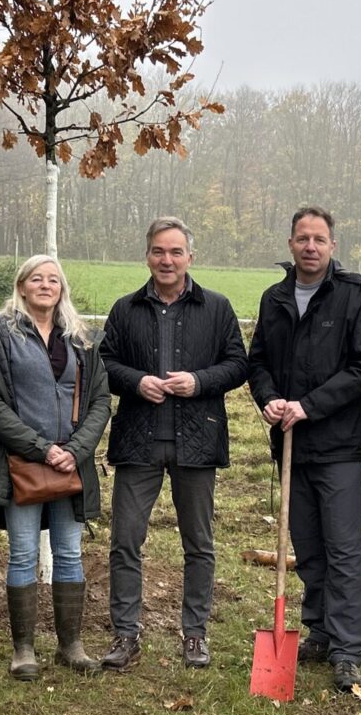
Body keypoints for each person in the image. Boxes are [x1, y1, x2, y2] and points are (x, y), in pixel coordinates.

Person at [98, 216, 249, 670]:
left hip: (197, 440)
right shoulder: (125, 310)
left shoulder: (217, 308)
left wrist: (199, 381)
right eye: (159, 251)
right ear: (147, 255)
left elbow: (238, 364)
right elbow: (104, 362)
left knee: (198, 543)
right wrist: (136, 381)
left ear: (190, 257)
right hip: (138, 441)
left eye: (175, 251)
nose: (167, 260)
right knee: (125, 541)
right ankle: (126, 635)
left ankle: (195, 634)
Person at [246, 206, 361, 693]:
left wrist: (310, 406)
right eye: (302, 238)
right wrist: (269, 399)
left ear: (332, 246)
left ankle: (349, 649)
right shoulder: (275, 298)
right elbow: (257, 361)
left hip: (338, 446)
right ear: (290, 244)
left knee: (343, 548)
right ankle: (321, 631)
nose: (310, 246)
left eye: (319, 239)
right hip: (289, 442)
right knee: (306, 545)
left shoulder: (353, 296)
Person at [0, 256, 113, 680]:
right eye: (36, 279)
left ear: (61, 289)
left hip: (70, 466)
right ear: (22, 287)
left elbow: (100, 400)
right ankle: (23, 649)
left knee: (69, 553)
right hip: (19, 464)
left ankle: (71, 645)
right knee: (24, 553)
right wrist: (42, 449)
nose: (46, 285)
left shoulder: (81, 339)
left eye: (53, 279)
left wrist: (76, 450)